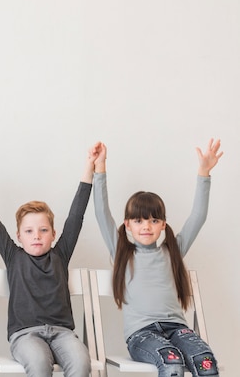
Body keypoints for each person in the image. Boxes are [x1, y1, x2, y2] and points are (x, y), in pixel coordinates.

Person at [92, 139, 222, 377]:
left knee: (205, 363)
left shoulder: (172, 251)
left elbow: (198, 217)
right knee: (172, 362)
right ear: (128, 225)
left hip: (177, 329)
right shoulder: (121, 252)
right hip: (142, 334)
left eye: (153, 220)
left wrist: (204, 173)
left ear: (163, 224)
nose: (146, 226)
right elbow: (101, 213)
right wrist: (100, 168)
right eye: (139, 220)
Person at [0, 152, 94, 377]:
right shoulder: (13, 256)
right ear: (18, 235)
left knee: (82, 362)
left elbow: (77, 216)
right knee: (38, 364)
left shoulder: (60, 255)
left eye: (43, 230)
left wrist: (89, 169)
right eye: (29, 231)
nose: (36, 236)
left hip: (63, 333)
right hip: (25, 335)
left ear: (53, 234)